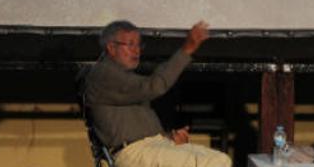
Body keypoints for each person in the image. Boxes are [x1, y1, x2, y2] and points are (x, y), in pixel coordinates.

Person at [81, 19, 231, 167]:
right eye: (130, 44)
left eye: (139, 44)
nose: (137, 50)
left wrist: (169, 138)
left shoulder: (127, 80)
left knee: (222, 159)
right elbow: (155, 86)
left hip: (155, 146)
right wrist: (188, 49)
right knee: (213, 163)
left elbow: (140, 128)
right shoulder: (103, 74)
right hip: (134, 153)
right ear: (111, 48)